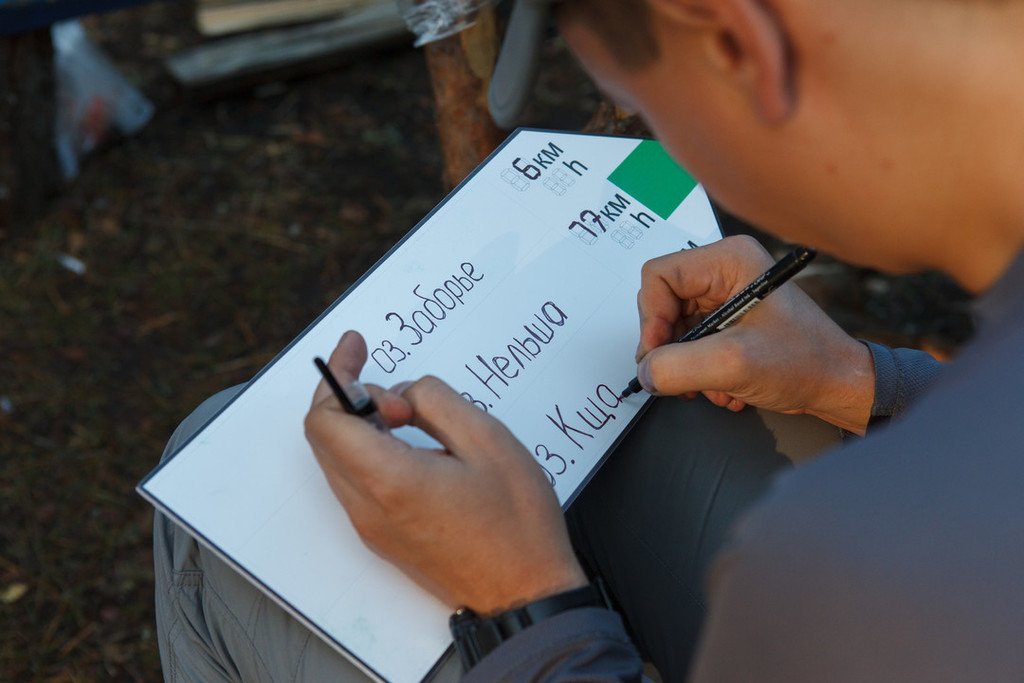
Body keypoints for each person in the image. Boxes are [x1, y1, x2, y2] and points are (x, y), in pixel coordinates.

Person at [153, 0, 1024, 680]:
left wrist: (525, 605)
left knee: (227, 460)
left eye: (650, 107)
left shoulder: (858, 567)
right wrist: (868, 382)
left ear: (736, 46)